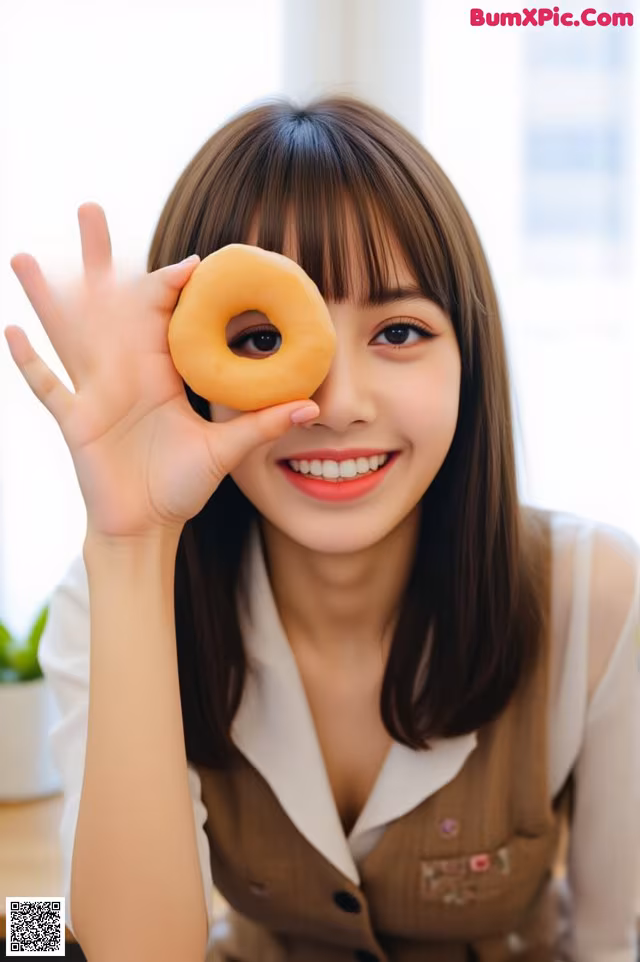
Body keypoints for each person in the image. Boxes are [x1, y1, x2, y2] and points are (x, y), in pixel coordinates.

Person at [5, 95, 639, 962]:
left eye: (401, 330)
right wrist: (129, 542)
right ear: (190, 372)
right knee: (21, 936)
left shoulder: (595, 594)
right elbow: (125, 954)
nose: (337, 405)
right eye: (261, 338)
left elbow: (615, 940)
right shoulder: (115, 587)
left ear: (470, 359)